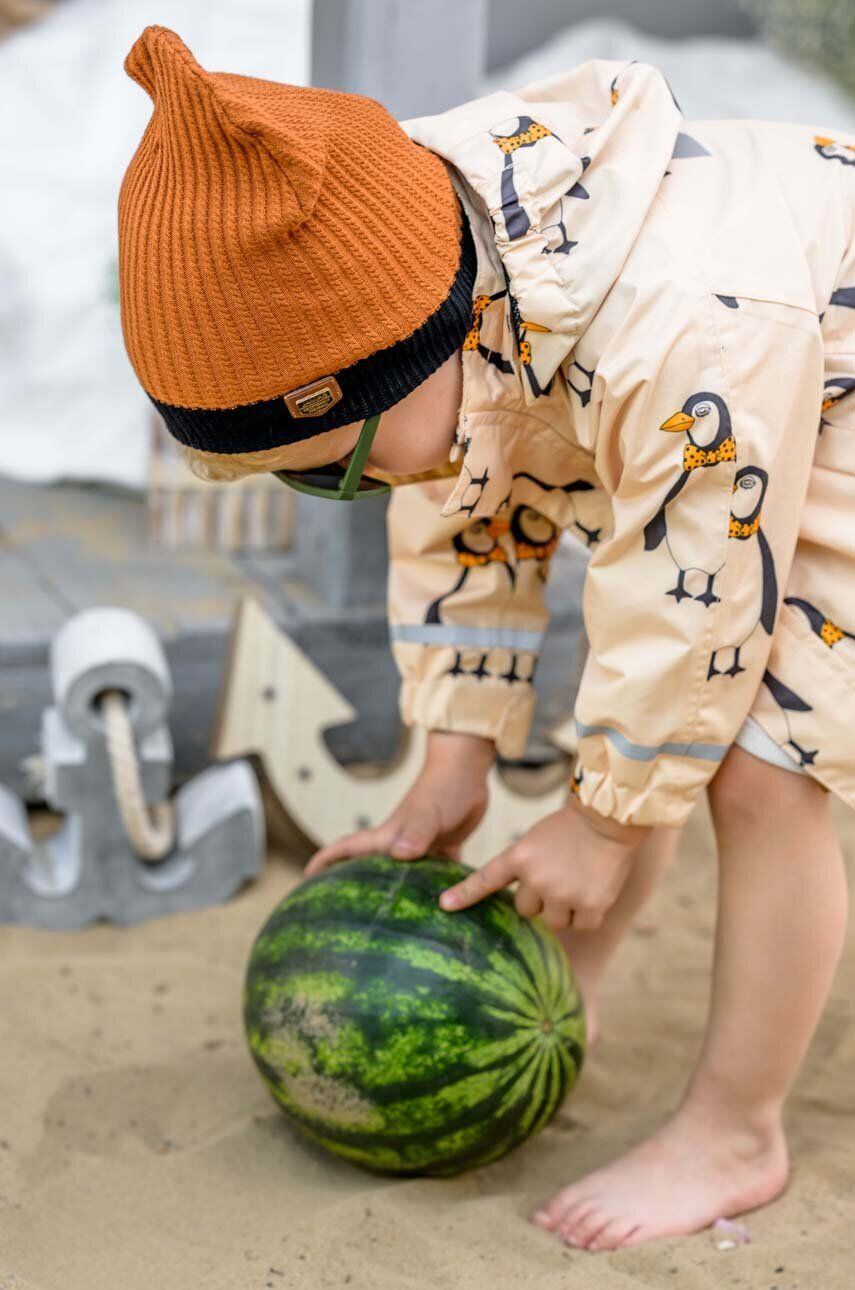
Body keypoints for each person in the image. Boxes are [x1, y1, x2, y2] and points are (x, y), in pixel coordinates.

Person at [118, 26, 855, 1251]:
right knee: (643, 718)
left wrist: (608, 817)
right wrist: (452, 758)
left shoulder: (682, 323)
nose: (344, 497)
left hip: (809, 378)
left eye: (326, 473)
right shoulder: (437, 272)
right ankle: (570, 998)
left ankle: (738, 1132)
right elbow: (463, 509)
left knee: (757, 765)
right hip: (738, 406)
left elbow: (696, 614)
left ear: (405, 349)